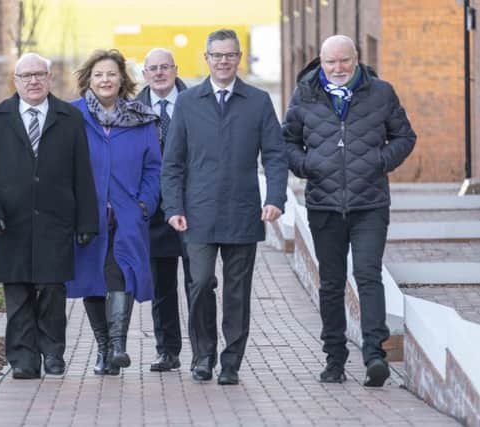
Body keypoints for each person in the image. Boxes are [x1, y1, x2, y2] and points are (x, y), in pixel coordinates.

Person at [282, 35, 416, 387]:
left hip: (370, 202)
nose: (338, 68)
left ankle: (375, 355)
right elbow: (287, 141)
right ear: (321, 62)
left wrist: (379, 161)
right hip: (324, 204)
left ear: (356, 59)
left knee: (368, 274)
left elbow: (405, 137)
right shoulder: (305, 94)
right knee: (331, 283)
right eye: (331, 62)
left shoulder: (381, 92)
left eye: (345, 60)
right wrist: (306, 165)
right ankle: (334, 359)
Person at [161, 29, 288, 385]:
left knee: (237, 293)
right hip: (197, 213)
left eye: (229, 55)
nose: (222, 61)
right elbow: (172, 162)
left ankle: (231, 362)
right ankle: (203, 355)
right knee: (199, 283)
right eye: (216, 55)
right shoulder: (188, 103)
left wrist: (275, 198)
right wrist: (173, 206)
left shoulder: (259, 101)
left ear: (239, 57)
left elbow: (276, 156)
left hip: (243, 212)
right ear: (206, 59)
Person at [0, 53, 99, 379]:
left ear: (49, 78)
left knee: (52, 292)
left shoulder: (69, 117)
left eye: (39, 74)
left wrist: (87, 222)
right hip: (10, 224)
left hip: (55, 221)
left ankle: (53, 352)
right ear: (15, 81)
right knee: (17, 295)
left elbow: (82, 173)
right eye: (26, 75)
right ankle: (23, 359)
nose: (33, 81)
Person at [65, 49, 161, 376]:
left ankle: (118, 346)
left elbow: (154, 167)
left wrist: (145, 202)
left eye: (111, 74)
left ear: (122, 79)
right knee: (92, 279)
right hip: (86, 214)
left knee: (122, 273)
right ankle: (104, 350)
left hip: (127, 214)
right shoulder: (72, 116)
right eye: (98, 75)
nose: (105, 80)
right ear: (88, 80)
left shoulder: (141, 119)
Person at [135, 48, 191, 372]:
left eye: (165, 67)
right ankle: (167, 350)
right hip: (154, 214)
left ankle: (203, 352)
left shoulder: (196, 103)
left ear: (175, 69)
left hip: (191, 209)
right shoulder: (133, 111)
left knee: (198, 285)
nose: (159, 73)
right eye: (152, 68)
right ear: (144, 73)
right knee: (162, 288)